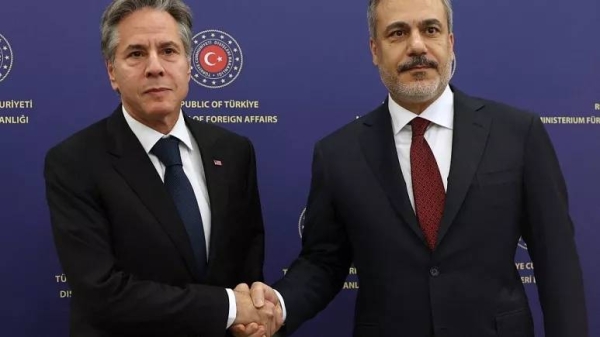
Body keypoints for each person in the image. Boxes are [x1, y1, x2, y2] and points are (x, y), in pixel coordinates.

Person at [237, 0, 589, 336]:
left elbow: (556, 263)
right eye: (398, 33)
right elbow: (323, 262)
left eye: (430, 29)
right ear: (375, 50)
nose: (417, 45)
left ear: (450, 43)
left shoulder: (517, 133)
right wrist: (279, 305)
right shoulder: (338, 153)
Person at [44, 0, 278, 336]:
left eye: (168, 50)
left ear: (188, 65)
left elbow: (247, 264)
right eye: (136, 54)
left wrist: (251, 315)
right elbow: (102, 292)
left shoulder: (234, 151)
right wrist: (228, 308)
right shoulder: (74, 162)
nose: (155, 67)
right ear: (112, 72)